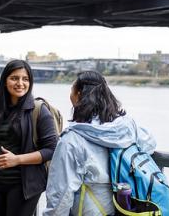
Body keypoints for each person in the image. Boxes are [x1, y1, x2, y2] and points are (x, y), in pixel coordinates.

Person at [43, 70, 156, 216]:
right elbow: (150, 144)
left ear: (78, 96)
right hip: (124, 208)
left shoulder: (71, 140)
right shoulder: (126, 127)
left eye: (72, 90)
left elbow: (60, 194)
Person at [0, 59, 58, 216]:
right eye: (14, 78)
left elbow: (52, 149)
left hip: (23, 186)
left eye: (25, 79)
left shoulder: (39, 110)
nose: (20, 83)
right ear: (5, 81)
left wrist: (17, 159)